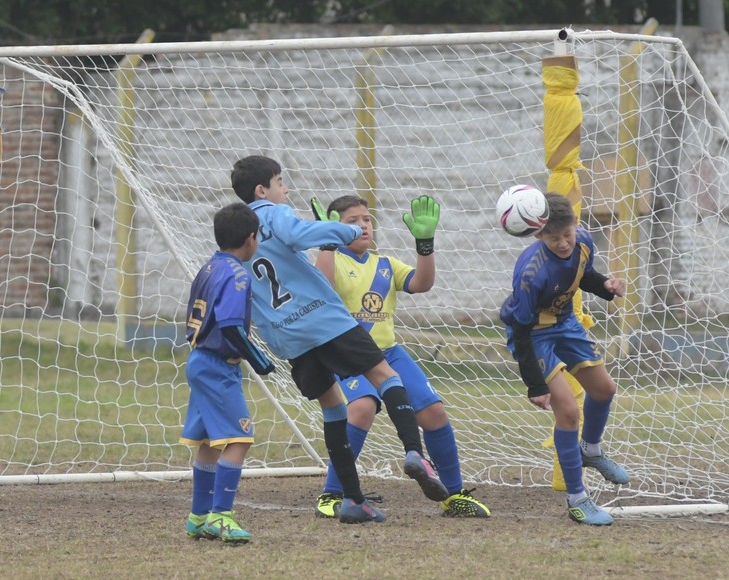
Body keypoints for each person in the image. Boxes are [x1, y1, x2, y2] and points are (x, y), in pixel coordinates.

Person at [231, 155, 448, 524]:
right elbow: (300, 234)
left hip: (288, 339)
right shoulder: (271, 212)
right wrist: (343, 232)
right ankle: (415, 452)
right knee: (385, 375)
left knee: (334, 408)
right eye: (281, 181)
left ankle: (352, 499)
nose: (286, 189)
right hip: (323, 319)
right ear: (261, 190)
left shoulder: (238, 235)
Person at [310, 194, 490, 519]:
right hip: (346, 356)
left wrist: (425, 244)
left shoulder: (385, 265)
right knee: (362, 409)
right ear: (334, 228)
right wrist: (326, 243)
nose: (363, 225)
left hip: (389, 354)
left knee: (434, 412)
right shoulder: (331, 260)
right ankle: (332, 493)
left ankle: (453, 494)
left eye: (366, 219)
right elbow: (322, 287)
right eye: (352, 221)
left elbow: (422, 283)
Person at [500, 193, 631, 526]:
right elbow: (519, 328)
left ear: (576, 225)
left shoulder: (583, 241)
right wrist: (535, 384)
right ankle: (577, 498)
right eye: (553, 238)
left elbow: (579, 273)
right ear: (538, 234)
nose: (562, 243)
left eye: (567, 235)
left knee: (604, 389)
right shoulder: (530, 273)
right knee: (569, 412)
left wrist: (605, 284)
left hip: (565, 324)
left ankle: (591, 450)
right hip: (534, 334)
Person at [182, 202, 276, 544]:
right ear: (251, 238)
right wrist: (259, 359)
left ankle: (198, 517)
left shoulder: (209, 266)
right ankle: (221, 516)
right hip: (218, 365)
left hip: (200, 359)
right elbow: (232, 325)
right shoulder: (237, 273)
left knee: (209, 442)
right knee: (239, 439)